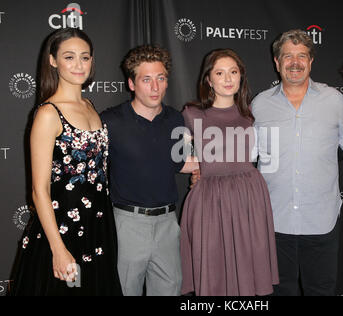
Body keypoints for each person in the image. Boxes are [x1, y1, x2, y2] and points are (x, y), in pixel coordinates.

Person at [9, 28, 122, 296]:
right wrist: (58, 249)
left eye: (85, 57)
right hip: (63, 231)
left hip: (98, 226)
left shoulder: (90, 106)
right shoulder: (49, 114)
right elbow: (39, 191)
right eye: (69, 57)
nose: (79, 65)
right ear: (53, 61)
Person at [251, 29, 343, 296]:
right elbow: (246, 158)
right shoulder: (259, 105)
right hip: (274, 222)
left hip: (321, 221)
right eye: (287, 56)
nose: (294, 62)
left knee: (321, 291)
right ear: (276, 62)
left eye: (302, 56)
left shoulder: (333, 100)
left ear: (311, 61)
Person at [180, 49, 279, 296]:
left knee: (247, 270)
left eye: (233, 72)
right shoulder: (192, 113)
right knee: (213, 273)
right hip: (209, 200)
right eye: (220, 73)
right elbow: (177, 159)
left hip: (248, 199)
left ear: (241, 77)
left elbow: (259, 155)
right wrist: (204, 166)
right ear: (208, 80)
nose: (227, 79)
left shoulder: (250, 115)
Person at [101, 45, 198, 296]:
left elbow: (181, 162)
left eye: (161, 78)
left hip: (168, 223)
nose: (155, 87)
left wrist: (223, 167)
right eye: (147, 79)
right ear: (132, 84)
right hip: (127, 224)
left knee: (171, 290)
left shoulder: (176, 120)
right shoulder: (109, 121)